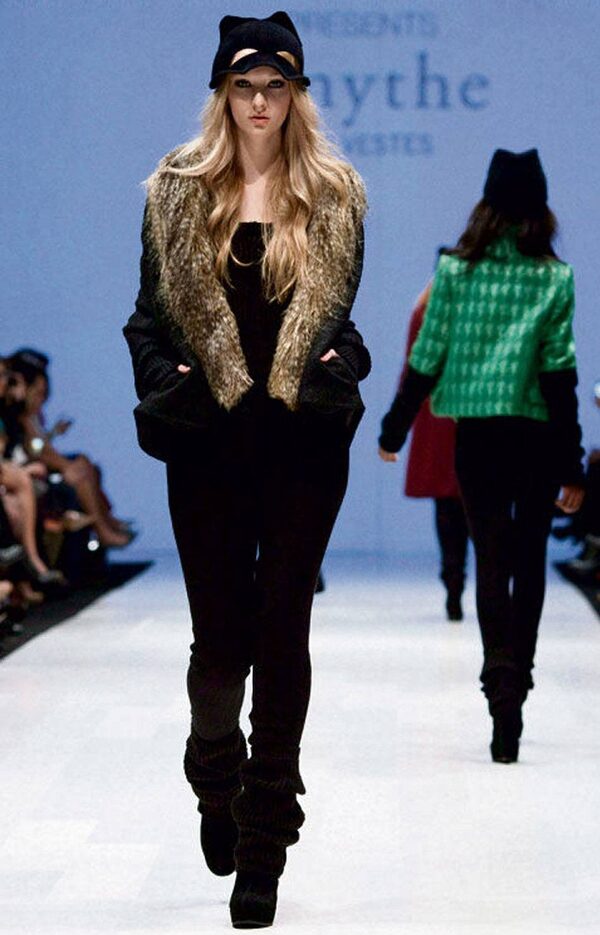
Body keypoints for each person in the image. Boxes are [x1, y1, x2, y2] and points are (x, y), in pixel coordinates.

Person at [123, 11, 369, 929]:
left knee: (283, 628)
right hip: (209, 443)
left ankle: (265, 841)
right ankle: (215, 768)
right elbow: (147, 320)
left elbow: (338, 320)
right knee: (221, 639)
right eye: (244, 86)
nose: (260, 102)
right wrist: (169, 381)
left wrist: (342, 363)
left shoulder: (334, 192)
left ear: (296, 94)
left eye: (276, 86)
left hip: (305, 443)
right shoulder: (175, 191)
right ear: (222, 93)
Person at [379, 149, 584, 765]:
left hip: (478, 439)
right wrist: (572, 465)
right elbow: (560, 378)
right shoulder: (554, 278)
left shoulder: (454, 273)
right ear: (541, 209)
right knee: (529, 560)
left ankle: (499, 689)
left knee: (491, 560)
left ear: (486, 205)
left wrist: (394, 429)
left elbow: (426, 358)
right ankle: (519, 681)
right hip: (537, 437)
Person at [397, 282, 469, 621]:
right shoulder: (480, 308)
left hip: (437, 414)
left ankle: (453, 581)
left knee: (447, 506)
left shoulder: (425, 311)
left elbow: (411, 370)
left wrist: (399, 422)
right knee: (479, 505)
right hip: (475, 411)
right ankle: (473, 583)